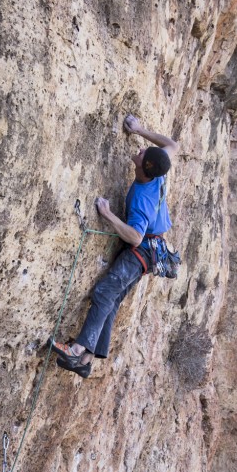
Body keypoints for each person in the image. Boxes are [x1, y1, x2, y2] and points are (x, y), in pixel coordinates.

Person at [51, 114, 178, 378]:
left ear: (146, 166)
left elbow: (135, 238)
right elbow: (172, 145)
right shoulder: (158, 173)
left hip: (142, 250)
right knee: (112, 299)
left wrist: (108, 215)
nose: (140, 150)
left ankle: (78, 350)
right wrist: (140, 130)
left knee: (104, 293)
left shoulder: (143, 199)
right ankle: (86, 359)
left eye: (144, 153)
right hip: (154, 251)